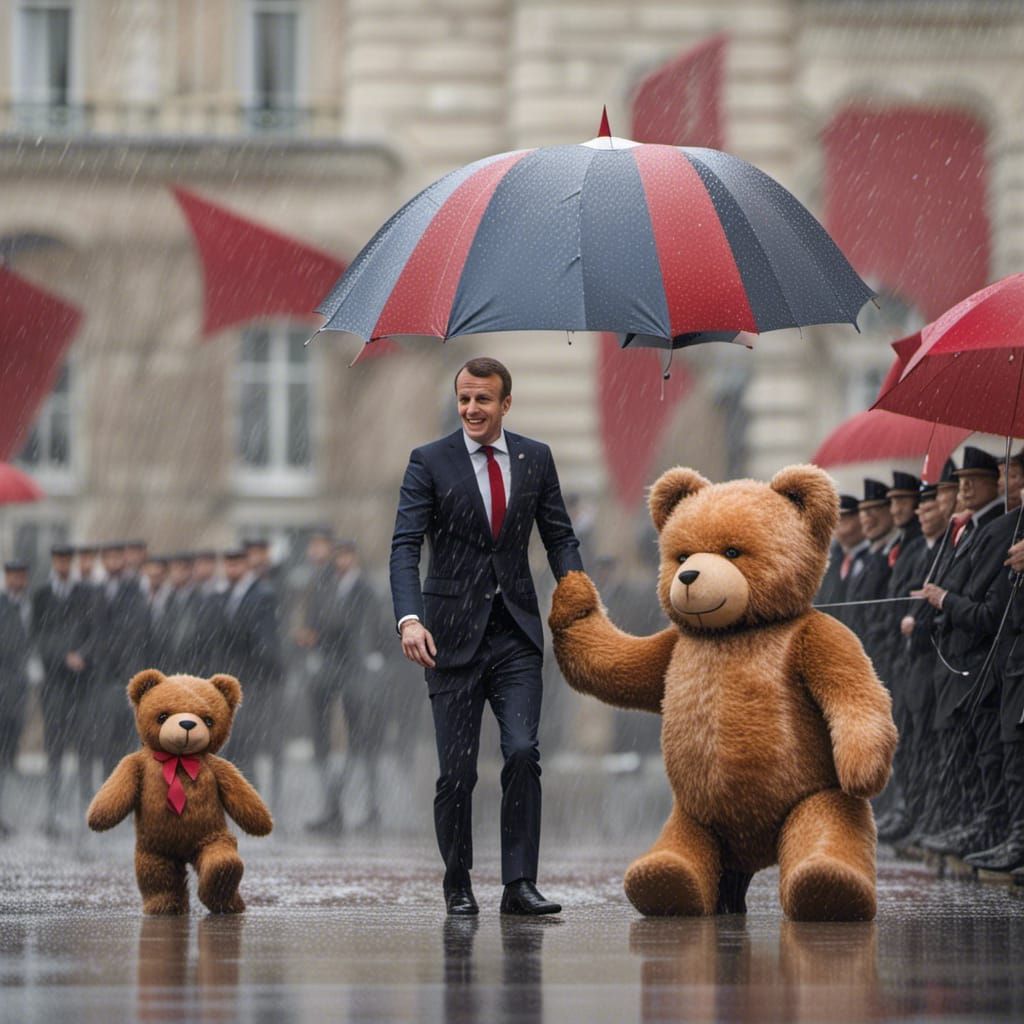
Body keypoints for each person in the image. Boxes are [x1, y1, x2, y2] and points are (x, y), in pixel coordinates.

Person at [391, 356, 583, 916]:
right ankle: (457, 880)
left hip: (516, 634)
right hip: (447, 638)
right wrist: (409, 618)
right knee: (457, 772)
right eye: (464, 399)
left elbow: (560, 537)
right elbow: (405, 548)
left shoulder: (535, 458)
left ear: (506, 403)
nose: (471, 409)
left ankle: (519, 883)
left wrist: (575, 591)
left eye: (483, 400)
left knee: (523, 751)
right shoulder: (429, 461)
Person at [915, 447, 1014, 857]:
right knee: (970, 752)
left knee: (992, 755)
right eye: (962, 481)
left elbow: (980, 598)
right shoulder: (973, 528)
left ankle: (990, 829)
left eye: (977, 478)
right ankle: (970, 824)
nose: (966, 487)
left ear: (996, 480)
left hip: (981, 659)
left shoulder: (999, 527)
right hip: (954, 658)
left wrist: (946, 602)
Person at [306, 541, 387, 834]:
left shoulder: (365, 590)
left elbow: (372, 630)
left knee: (362, 742)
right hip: (332, 674)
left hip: (356, 675)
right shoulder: (325, 587)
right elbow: (317, 626)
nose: (342, 562)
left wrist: (369, 663)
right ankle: (334, 808)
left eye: (346, 556)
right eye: (338, 556)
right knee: (329, 742)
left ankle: (369, 808)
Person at [32, 544, 95, 834]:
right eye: (58, 559)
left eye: (67, 560)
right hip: (55, 685)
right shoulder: (42, 596)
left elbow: (95, 632)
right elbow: (38, 637)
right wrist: (62, 656)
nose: (63, 564)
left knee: (84, 746)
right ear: (53, 561)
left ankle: (87, 806)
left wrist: (82, 654)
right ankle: (53, 808)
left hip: (81, 686)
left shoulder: (85, 594)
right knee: (55, 748)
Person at [218, 548, 284, 805]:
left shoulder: (261, 595)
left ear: (245, 566)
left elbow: (265, 642)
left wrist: (262, 674)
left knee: (249, 740)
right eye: (228, 565)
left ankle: (250, 799)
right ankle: (240, 797)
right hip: (235, 679)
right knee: (237, 741)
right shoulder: (228, 595)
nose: (231, 570)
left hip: (254, 680)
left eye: (236, 565)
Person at [87, 542, 150, 778]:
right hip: (104, 675)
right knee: (105, 740)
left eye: (117, 558)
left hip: (128, 673)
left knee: (125, 740)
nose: (113, 563)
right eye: (108, 558)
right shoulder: (98, 590)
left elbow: (135, 631)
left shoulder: (133, 589)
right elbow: (94, 629)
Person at [0, 561, 33, 838]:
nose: (17, 580)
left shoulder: (30, 607)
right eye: (12, 575)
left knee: (8, 758)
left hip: (16, 696)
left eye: (21, 575)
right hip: (2, 691)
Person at [816, 493, 868, 627]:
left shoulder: (872, 558)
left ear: (859, 518)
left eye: (845, 518)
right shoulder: (833, 561)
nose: (838, 525)